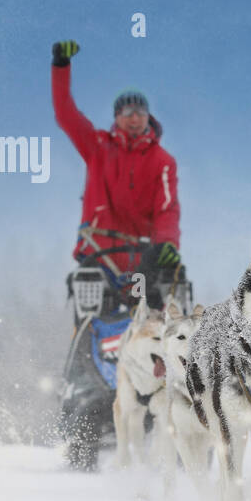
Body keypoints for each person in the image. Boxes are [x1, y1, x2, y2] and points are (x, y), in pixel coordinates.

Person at [51, 39, 182, 307]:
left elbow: (166, 210)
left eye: (140, 112)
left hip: (143, 258)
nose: (134, 118)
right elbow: (66, 114)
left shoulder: (163, 161)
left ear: (148, 117)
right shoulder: (98, 147)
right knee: (94, 314)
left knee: (161, 312)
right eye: (127, 111)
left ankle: (169, 345)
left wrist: (167, 244)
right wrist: (61, 66)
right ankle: (87, 348)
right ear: (116, 117)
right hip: (98, 254)